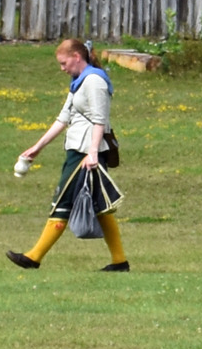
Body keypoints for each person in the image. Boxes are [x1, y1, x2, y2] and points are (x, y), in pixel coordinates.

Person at [7, 39, 128, 272]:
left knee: (62, 202)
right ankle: (119, 261)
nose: (62, 68)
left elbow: (99, 120)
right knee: (101, 207)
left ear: (76, 56)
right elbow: (63, 118)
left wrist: (92, 153)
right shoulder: (78, 82)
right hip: (78, 150)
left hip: (86, 153)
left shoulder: (94, 82)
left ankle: (34, 257)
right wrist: (37, 147)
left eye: (64, 63)